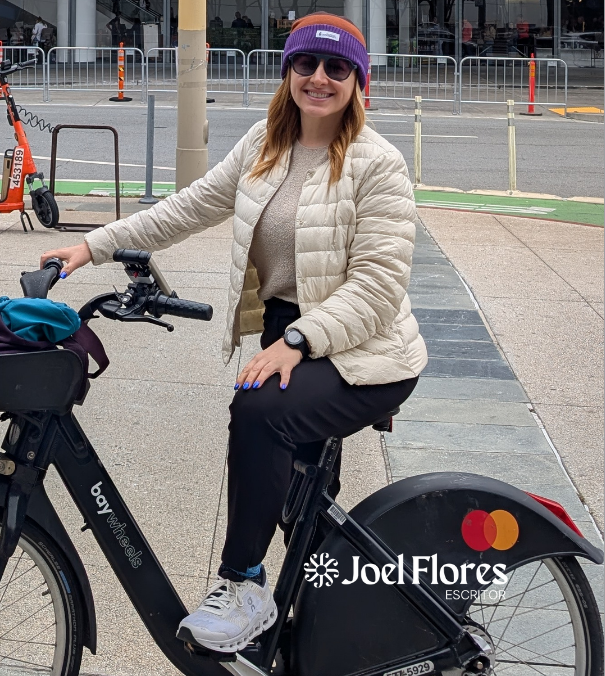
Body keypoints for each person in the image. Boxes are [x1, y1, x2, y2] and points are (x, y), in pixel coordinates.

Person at [40, 12, 426, 654]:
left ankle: (244, 585)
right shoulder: (264, 145)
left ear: (358, 81)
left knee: (258, 415)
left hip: (365, 349)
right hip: (289, 331)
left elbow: (378, 288)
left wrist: (297, 342)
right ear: (288, 73)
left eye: (337, 68)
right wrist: (93, 247)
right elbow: (188, 207)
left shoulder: (376, 164)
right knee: (295, 500)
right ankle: (323, 632)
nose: (320, 79)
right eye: (306, 64)